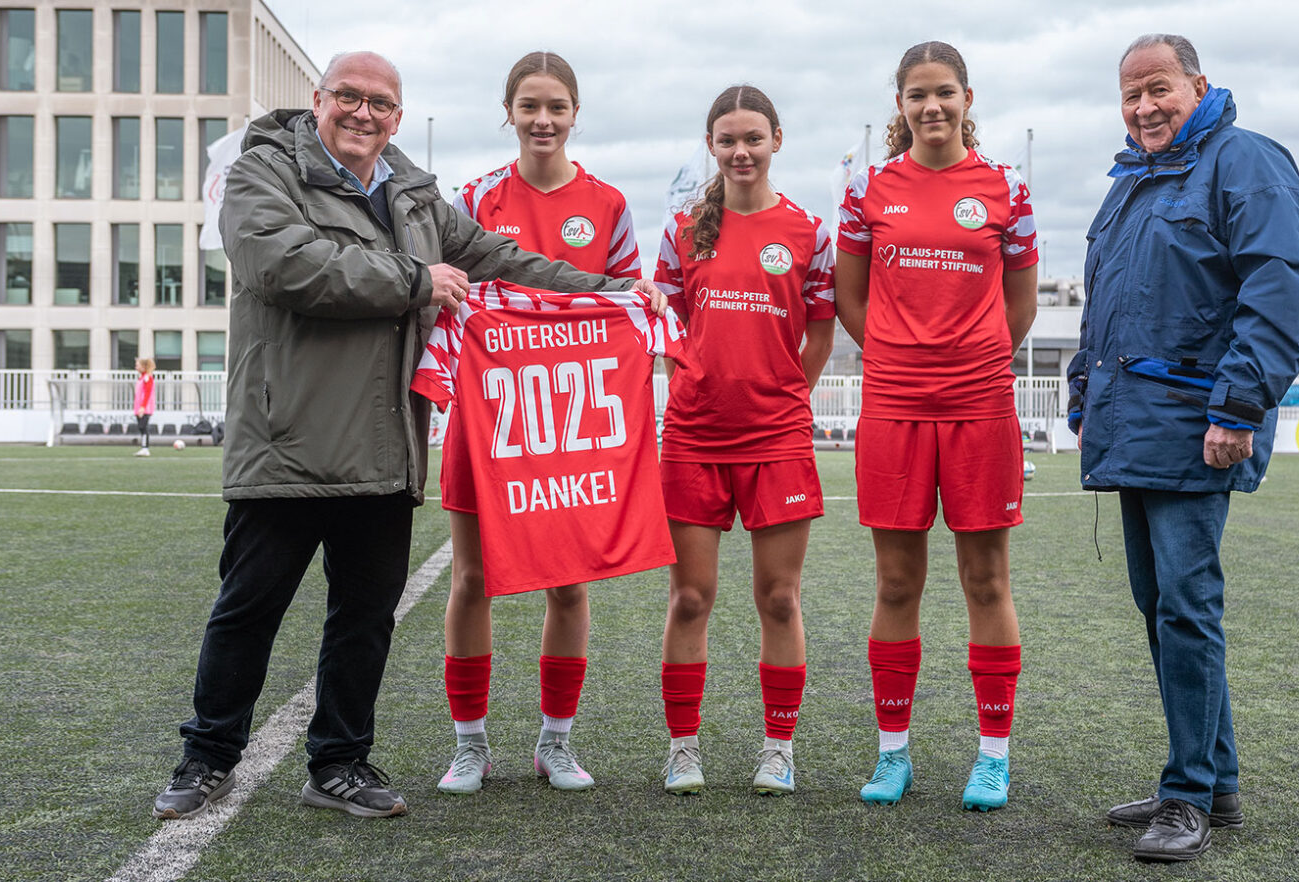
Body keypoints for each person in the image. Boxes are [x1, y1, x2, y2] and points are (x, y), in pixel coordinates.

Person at [151, 50, 661, 821]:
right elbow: (282, 265)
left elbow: (503, 260)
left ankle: (340, 764)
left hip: (386, 445)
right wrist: (416, 280)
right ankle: (207, 756)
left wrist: (613, 294)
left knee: (363, 618)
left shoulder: (415, 193)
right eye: (349, 98)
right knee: (248, 608)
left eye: (381, 103)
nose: (364, 114)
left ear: (397, 113)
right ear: (317, 100)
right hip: (287, 439)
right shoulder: (263, 172)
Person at [1068, 34, 1299, 861]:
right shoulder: (1131, 185)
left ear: (1198, 85)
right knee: (1163, 607)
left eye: (1159, 89)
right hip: (1134, 423)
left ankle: (1186, 798)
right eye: (1130, 95)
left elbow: (1285, 282)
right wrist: (1083, 388)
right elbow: (1106, 303)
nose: (1144, 107)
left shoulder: (1244, 160)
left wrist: (1240, 402)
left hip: (1197, 424)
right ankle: (1211, 777)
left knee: (1187, 607)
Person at [835, 41, 1038, 812]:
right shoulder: (868, 190)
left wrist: (973, 354)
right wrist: (899, 355)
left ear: (967, 96)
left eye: (944, 93)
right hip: (893, 404)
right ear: (900, 104)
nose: (932, 107)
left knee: (986, 579)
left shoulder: (1006, 189)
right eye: (917, 95)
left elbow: (1018, 306)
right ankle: (894, 754)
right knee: (896, 582)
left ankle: (993, 756)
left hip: (981, 404)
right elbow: (851, 301)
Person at [436, 51, 642, 795]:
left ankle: (555, 742)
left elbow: (623, 304)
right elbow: (447, 287)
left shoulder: (610, 204)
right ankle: (470, 745)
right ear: (510, 112)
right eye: (529, 106)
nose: (543, 120)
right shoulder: (476, 196)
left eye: (556, 106)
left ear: (575, 112)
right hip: (487, 414)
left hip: (571, 421)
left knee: (569, 585)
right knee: (473, 579)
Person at [654, 85, 835, 796]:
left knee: (780, 599)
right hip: (694, 437)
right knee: (691, 597)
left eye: (753, 137)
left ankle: (778, 749)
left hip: (778, 438)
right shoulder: (680, 230)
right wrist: (694, 379)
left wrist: (788, 387)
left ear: (777, 141)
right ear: (712, 146)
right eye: (728, 139)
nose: (741, 151)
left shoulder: (808, 232)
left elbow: (820, 329)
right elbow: (666, 327)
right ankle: (683, 747)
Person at [132, 357, 156, 456]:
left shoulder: (147, 377)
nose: (136, 367)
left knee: (143, 426)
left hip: (145, 407)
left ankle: (145, 448)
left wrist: (143, 407)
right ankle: (143, 447)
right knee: (141, 427)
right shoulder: (141, 378)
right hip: (139, 406)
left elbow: (147, 392)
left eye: (138, 365)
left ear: (143, 366)